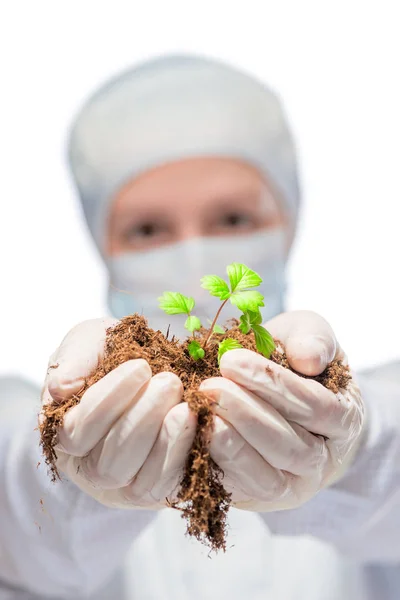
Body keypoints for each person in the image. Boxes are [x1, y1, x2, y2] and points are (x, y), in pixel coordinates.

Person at [0, 54, 399, 600]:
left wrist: (355, 450)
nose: (194, 256)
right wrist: (66, 461)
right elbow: (16, 521)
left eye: (233, 219)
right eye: (147, 228)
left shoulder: (365, 394)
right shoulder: (19, 410)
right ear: (102, 245)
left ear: (289, 224)